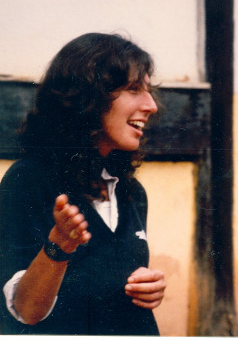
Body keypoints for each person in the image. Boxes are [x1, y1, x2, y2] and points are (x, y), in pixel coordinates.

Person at [0, 32, 166, 335]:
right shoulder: (29, 180)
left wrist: (149, 287)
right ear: (88, 97)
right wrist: (60, 244)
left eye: (148, 90)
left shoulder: (131, 191)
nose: (151, 105)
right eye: (133, 88)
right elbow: (25, 311)